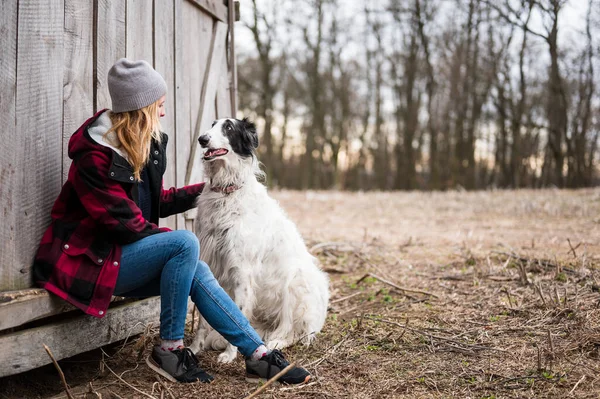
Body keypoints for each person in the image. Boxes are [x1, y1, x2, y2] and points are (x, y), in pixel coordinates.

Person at [32, 58, 310, 384]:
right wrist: (178, 245)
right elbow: (123, 225)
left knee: (195, 267)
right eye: (159, 105)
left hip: (117, 255)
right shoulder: (96, 156)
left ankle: (257, 355)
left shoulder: (138, 143)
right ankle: (171, 348)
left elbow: (158, 201)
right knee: (185, 244)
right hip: (90, 262)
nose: (163, 113)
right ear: (142, 107)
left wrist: (218, 189)